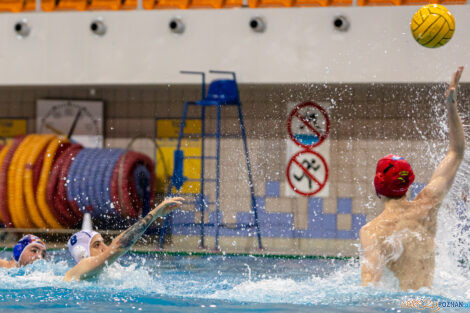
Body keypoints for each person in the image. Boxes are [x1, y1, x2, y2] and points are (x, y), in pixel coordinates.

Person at [360, 66, 465, 290]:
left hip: (408, 305)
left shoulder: (372, 232)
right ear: (408, 185)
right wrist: (451, 106)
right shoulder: (428, 204)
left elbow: (369, 285)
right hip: (437, 305)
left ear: (377, 187)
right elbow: (456, 152)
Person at [64, 196, 184, 281]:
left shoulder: (101, 276)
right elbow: (119, 246)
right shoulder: (82, 266)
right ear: (81, 253)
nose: (105, 248)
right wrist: (154, 214)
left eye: (103, 242)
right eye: (96, 245)